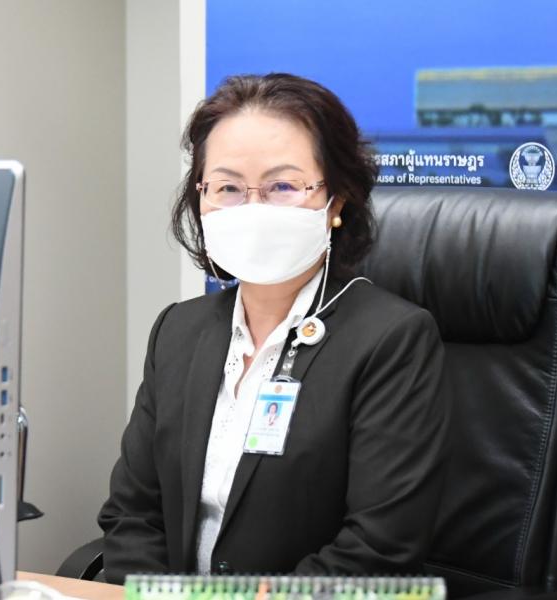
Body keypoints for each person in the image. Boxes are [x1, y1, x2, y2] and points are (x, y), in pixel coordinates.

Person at [98, 73, 448, 583]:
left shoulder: (392, 340)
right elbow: (132, 514)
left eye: (282, 186)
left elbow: (379, 548)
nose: (253, 209)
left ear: (336, 201)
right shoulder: (178, 331)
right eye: (227, 188)